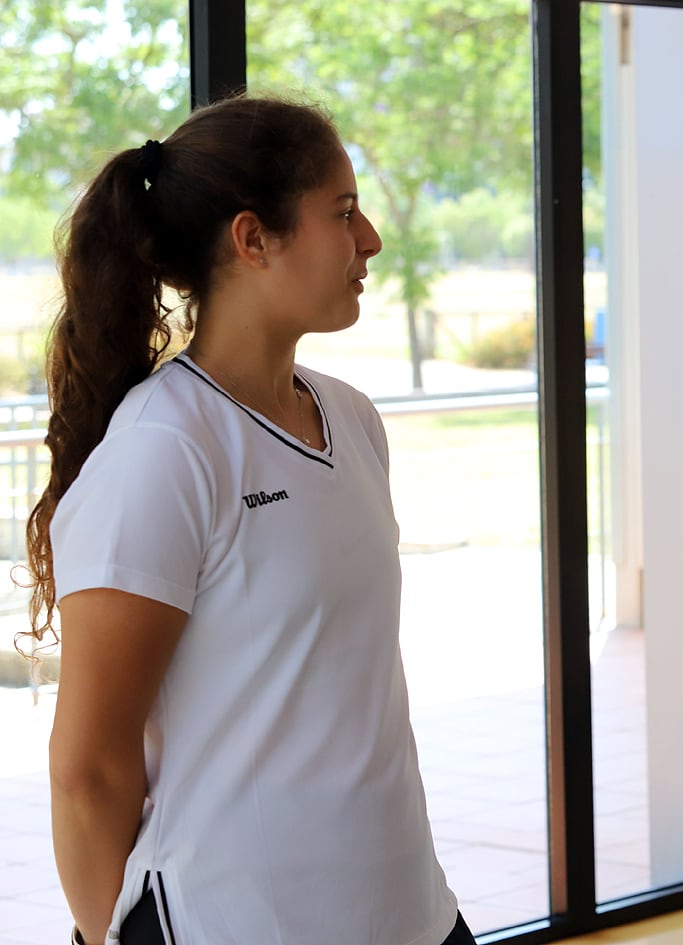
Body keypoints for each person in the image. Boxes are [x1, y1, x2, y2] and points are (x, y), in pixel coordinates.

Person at [22, 95, 475, 945]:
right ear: (252, 238)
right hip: (235, 919)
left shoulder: (352, 416)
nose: (370, 238)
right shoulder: (165, 451)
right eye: (342, 213)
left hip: (410, 910)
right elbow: (87, 767)